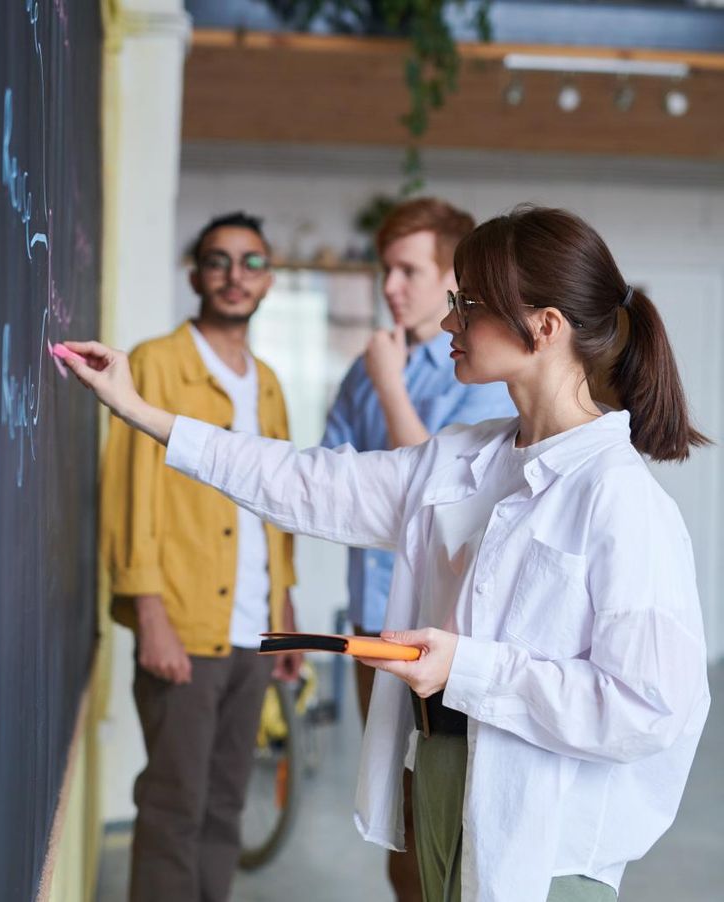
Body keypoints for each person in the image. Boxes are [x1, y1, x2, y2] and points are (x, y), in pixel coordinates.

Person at [68, 205, 710, 902]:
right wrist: (144, 412)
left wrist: (465, 666)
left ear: (545, 327)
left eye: (466, 305)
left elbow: (647, 708)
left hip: (542, 828)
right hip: (439, 774)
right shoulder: (463, 457)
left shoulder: (620, 500)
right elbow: (302, 482)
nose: (445, 324)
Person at [99, 211, 299, 902]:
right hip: (185, 623)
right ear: (196, 275)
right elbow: (129, 492)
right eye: (219, 261)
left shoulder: (268, 382)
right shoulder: (157, 363)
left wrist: (285, 613)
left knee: (223, 807)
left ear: (268, 279)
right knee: (173, 806)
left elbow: (278, 506)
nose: (234, 276)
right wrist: (149, 612)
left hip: (252, 631)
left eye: (250, 262)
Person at [322, 197, 515, 900]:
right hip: (370, 624)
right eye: (385, 270)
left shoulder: (480, 373)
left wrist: (387, 382)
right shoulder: (369, 364)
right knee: (394, 808)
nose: (390, 287)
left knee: (446, 800)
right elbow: (332, 484)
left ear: (448, 281)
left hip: (444, 632)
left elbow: (435, 494)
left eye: (408, 270)